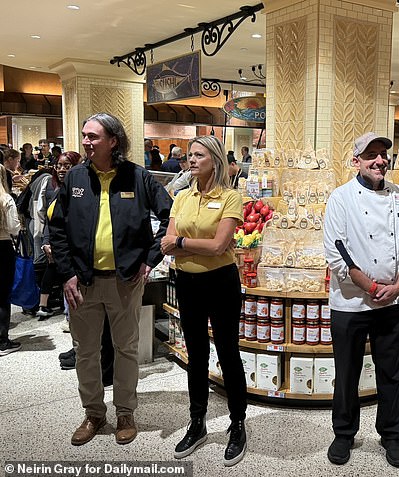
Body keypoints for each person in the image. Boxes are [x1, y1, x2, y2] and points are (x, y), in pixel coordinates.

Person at [49, 112, 172, 446]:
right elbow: (57, 229)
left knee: (126, 349)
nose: (86, 142)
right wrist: (68, 274)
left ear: (113, 140)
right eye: (85, 136)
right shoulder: (74, 178)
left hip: (125, 282)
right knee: (85, 351)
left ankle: (125, 413)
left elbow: (170, 217)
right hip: (82, 283)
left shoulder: (138, 178)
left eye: (94, 137)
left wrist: (149, 260)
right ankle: (93, 413)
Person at [323, 132, 399, 468]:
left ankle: (392, 434)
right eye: (372, 155)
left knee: (390, 371)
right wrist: (371, 287)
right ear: (357, 161)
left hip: (393, 300)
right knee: (347, 372)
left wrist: (397, 286)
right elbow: (337, 253)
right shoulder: (340, 198)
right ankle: (344, 433)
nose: (380, 160)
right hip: (350, 303)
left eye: (383, 154)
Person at [160, 135, 247, 465]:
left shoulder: (231, 197)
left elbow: (219, 246)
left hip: (221, 281)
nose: (191, 160)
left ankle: (237, 423)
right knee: (195, 353)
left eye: (198, 155)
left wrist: (181, 241)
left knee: (227, 351)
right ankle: (197, 422)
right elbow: (166, 242)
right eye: (189, 155)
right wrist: (186, 243)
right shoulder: (181, 197)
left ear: (214, 159)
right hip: (187, 281)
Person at [35, 152, 82, 320]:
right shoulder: (52, 187)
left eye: (66, 166)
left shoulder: (81, 189)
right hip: (60, 244)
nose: (62, 170)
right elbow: (49, 218)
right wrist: (46, 241)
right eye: (59, 166)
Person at [0, 164, 22, 356]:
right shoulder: (6, 199)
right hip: (2, 246)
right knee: (2, 294)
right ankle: (2, 341)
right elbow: (14, 228)